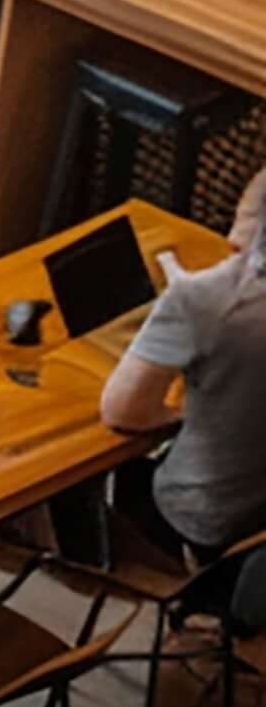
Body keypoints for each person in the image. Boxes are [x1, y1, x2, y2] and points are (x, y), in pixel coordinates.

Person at [100, 165, 266, 628]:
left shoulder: (207, 302)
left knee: (94, 469)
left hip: (208, 532)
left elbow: (124, 412)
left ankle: (61, 563)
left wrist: (180, 410)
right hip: (257, 544)